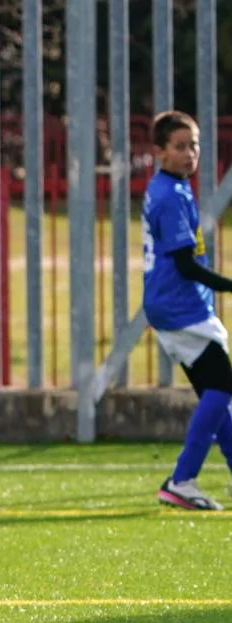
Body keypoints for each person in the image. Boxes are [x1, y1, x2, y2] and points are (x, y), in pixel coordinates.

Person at [141, 110, 232, 511]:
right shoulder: (169, 196)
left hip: (175, 305)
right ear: (159, 152)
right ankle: (182, 479)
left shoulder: (172, 187)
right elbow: (185, 265)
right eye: (179, 146)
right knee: (223, 387)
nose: (190, 153)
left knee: (218, 393)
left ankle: (187, 478)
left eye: (193, 144)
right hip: (181, 307)